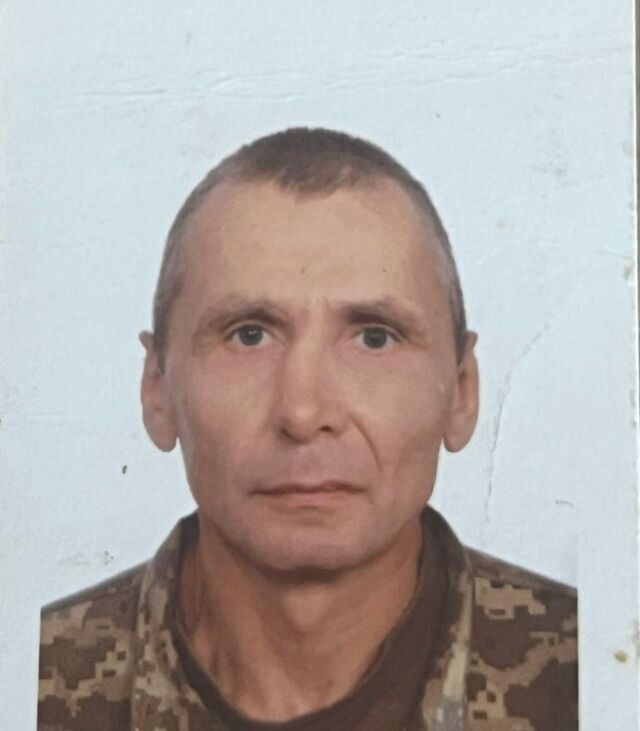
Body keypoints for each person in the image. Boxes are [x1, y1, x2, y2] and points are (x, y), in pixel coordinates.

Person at [38, 128, 578, 731]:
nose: (302, 412)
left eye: (374, 337)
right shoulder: (33, 682)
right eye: (249, 335)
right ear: (157, 389)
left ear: (463, 392)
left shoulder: (591, 678)